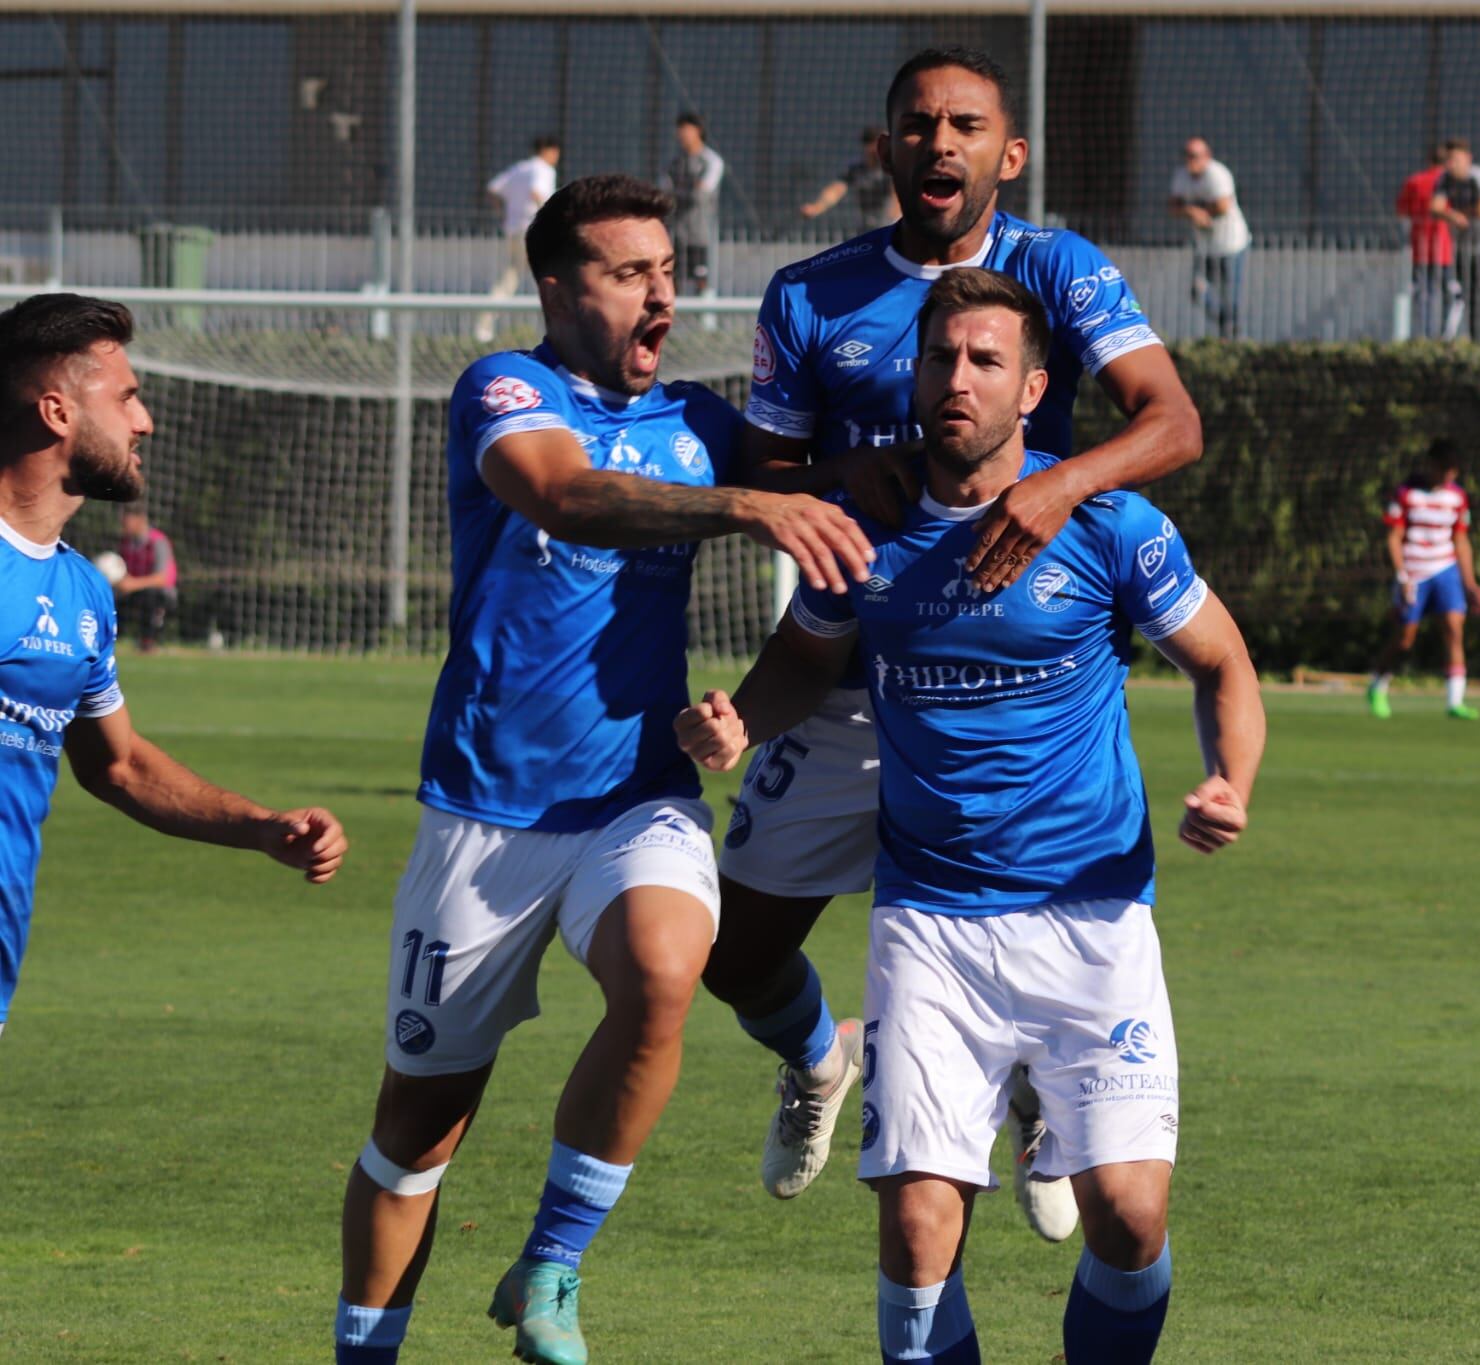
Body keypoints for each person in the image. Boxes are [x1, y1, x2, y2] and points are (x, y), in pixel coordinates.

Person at [676, 266, 1265, 1365]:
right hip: (931, 922)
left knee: (1130, 1225)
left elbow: (1222, 663)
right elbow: (805, 662)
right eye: (941, 357)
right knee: (914, 1229)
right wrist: (738, 723)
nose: (958, 378)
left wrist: (1227, 779)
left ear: (1031, 389)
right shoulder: (862, 531)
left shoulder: (1104, 523)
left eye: (986, 360)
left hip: (1092, 916)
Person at [332, 175, 872, 1365]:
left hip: (636, 797)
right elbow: (564, 497)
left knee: (666, 976)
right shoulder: (505, 388)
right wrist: (741, 505)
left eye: (668, 271)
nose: (660, 294)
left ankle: (553, 1267)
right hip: (483, 819)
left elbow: (837, 498)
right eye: (630, 273)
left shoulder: (702, 421)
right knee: (419, 1130)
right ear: (556, 287)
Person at [719, 45, 1202, 1246]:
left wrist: (1055, 491)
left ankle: (1042, 1103)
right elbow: (759, 476)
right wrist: (844, 474)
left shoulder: (1058, 268)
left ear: (1007, 152)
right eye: (919, 124)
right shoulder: (809, 292)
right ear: (883, 147)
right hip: (849, 667)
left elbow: (1172, 422)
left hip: (1009, 674)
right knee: (736, 957)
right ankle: (820, 1058)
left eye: (967, 125)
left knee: (1008, 925)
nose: (942, 143)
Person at [0, 293, 347, 1041]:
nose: (145, 421)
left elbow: (118, 766)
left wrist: (258, 827)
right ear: (57, 411)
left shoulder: (83, 592)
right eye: (125, 397)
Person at [1365, 439, 1480, 721]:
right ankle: (1377, 685)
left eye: (1453, 472)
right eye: (1444, 470)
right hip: (1414, 572)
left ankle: (1454, 702)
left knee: (1454, 629)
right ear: (1431, 466)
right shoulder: (1406, 494)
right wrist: (1401, 576)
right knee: (1405, 639)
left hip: (1446, 570)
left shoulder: (1457, 498)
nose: (1448, 477)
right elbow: (1394, 538)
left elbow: (1461, 540)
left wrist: (1470, 583)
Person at [477, 136, 562, 345]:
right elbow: (536, 192)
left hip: (515, 230)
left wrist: (506, 213)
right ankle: (559, 329)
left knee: (513, 276)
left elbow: (493, 189)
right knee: (551, 275)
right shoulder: (543, 170)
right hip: (534, 231)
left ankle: (484, 325)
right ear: (548, 150)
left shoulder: (519, 168)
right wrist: (553, 216)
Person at [1167, 137, 1251, 339]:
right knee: (1199, 291)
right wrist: (1191, 211)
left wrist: (1201, 213)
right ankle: (1227, 325)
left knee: (1231, 294)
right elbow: (1173, 206)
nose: (1190, 160)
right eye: (1186, 155)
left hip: (1231, 244)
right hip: (1205, 246)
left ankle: (1232, 336)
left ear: (1207, 156)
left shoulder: (1217, 174)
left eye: (1195, 156)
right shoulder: (1182, 176)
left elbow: (1223, 206)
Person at [1433, 140, 1480, 342]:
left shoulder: (1479, 177)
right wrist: (1453, 216)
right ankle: (1475, 340)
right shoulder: (1445, 179)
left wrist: (1455, 213)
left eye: (1455, 159)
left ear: (1467, 159)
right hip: (1463, 247)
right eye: (1448, 160)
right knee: (1467, 296)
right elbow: (1435, 207)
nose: (1451, 164)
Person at [1395, 143, 1457, 339]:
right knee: (1451, 294)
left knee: (1423, 293)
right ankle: (1446, 334)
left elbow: (1402, 212)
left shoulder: (1414, 182)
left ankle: (1425, 334)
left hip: (1420, 247)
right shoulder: (1451, 183)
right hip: (1445, 248)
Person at [664, 113, 726, 298]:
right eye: (679, 130)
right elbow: (664, 190)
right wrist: (688, 189)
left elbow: (701, 194)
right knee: (673, 277)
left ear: (698, 130)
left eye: (686, 129)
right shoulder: (675, 162)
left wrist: (680, 191)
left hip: (700, 233)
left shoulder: (711, 161)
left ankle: (706, 323)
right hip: (676, 231)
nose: (681, 134)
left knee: (701, 278)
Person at [800, 127, 901, 232]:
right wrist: (817, 207)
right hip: (867, 227)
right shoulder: (857, 169)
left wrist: (894, 219)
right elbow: (837, 189)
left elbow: (898, 193)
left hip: (892, 226)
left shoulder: (893, 166)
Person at [113, 505, 176, 651]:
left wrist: (133, 584)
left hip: (160, 593)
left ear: (140, 520)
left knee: (151, 597)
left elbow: (162, 578)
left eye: (126, 521)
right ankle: (109, 638)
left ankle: (148, 642)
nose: (123, 525)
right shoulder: (125, 543)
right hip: (135, 591)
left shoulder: (158, 542)